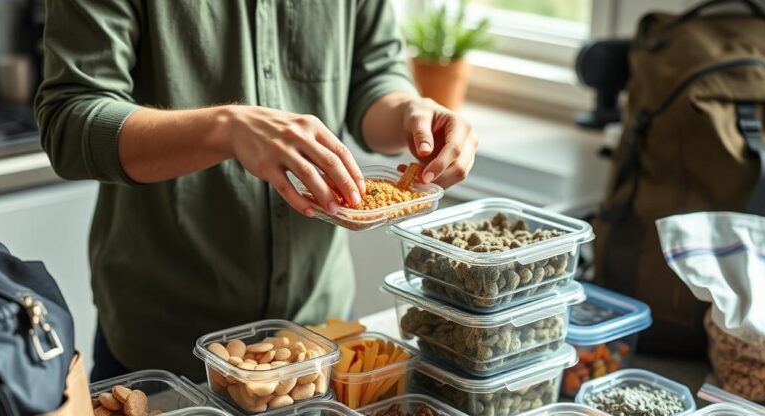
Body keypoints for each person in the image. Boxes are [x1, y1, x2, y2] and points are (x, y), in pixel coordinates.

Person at [36, 1, 478, 381]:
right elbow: (71, 123)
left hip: (314, 334)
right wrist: (225, 127)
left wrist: (411, 112)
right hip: (163, 345)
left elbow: (374, 77)